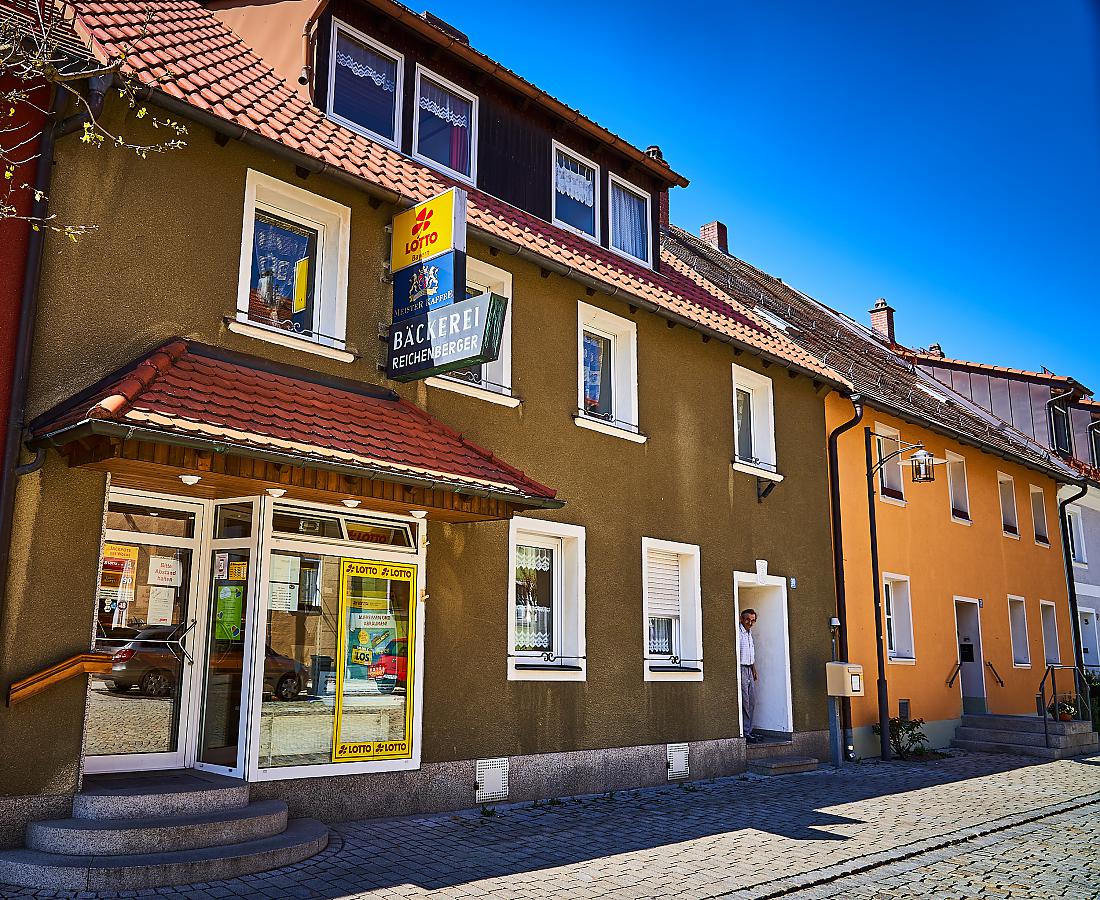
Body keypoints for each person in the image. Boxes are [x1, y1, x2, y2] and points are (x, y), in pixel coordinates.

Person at [739, 608, 759, 743]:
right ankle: (745, 732)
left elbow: (750, 653)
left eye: (752, 620)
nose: (750, 623)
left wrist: (754, 669)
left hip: (749, 669)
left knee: (752, 701)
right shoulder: (738, 633)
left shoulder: (749, 633)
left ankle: (749, 730)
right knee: (745, 702)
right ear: (742, 619)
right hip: (741, 669)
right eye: (747, 620)